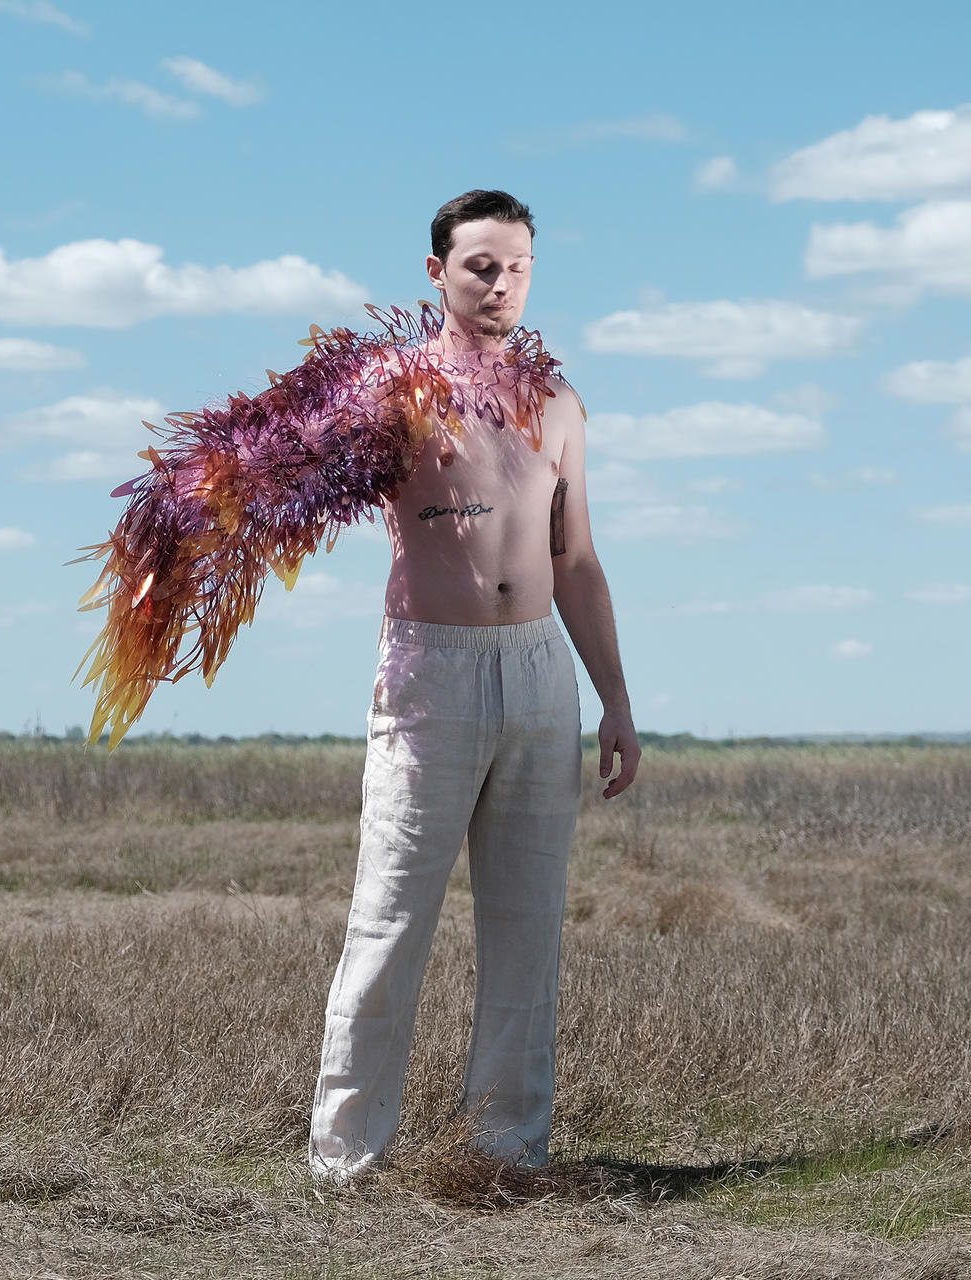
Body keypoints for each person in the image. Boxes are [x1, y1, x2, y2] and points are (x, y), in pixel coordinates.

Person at [307, 189, 641, 1183]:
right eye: (481, 266)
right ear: (437, 273)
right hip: (430, 665)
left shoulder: (559, 403)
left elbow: (575, 558)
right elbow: (292, 475)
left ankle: (505, 1152)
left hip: (539, 670)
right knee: (389, 918)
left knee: (528, 923)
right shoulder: (390, 389)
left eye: (517, 268)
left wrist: (616, 700)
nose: (501, 284)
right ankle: (346, 1161)